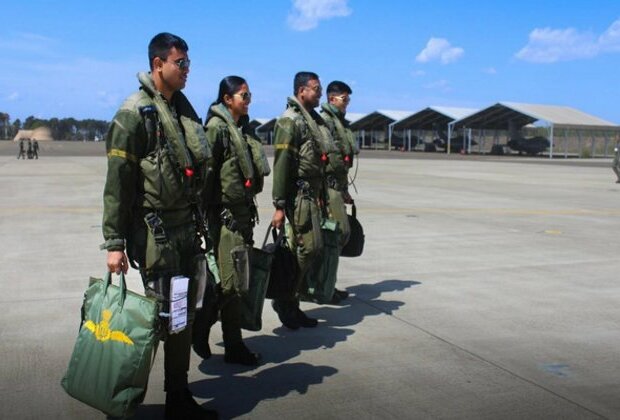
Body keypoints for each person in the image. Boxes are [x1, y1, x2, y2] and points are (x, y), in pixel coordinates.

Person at [101, 32, 217, 420]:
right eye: (180, 63)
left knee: (182, 316)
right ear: (158, 65)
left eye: (188, 64)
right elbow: (117, 184)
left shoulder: (183, 113)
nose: (187, 71)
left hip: (186, 230)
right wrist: (114, 243)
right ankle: (119, 399)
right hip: (157, 235)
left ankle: (178, 396)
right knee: (155, 319)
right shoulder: (134, 113)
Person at [192, 76, 269, 365]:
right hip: (224, 219)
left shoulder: (243, 130)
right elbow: (206, 177)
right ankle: (201, 327)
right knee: (230, 285)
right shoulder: (216, 130)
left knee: (237, 284)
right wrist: (203, 219)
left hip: (243, 215)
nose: (248, 101)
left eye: (250, 96)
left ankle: (234, 346)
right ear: (228, 99)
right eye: (244, 96)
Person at [271, 71, 332, 329]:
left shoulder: (313, 122)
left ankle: (291, 301)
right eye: (315, 88)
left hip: (311, 197)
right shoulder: (290, 121)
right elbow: (282, 165)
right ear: (301, 91)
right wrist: (279, 206)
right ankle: (285, 301)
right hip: (297, 199)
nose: (319, 93)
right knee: (304, 249)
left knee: (313, 249)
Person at [319, 81, 360, 304]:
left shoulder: (339, 123)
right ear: (332, 98)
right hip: (326, 189)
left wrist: (344, 190)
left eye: (348, 99)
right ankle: (324, 286)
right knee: (336, 236)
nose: (347, 103)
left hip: (336, 188)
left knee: (336, 238)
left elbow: (340, 162)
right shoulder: (325, 123)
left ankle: (327, 285)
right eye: (344, 99)